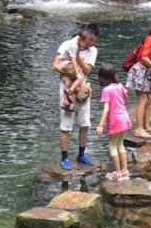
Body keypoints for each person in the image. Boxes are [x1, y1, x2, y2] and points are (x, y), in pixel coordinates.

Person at [52, 26, 99, 170]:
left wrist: (77, 56)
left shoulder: (93, 50)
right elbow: (54, 65)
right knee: (66, 125)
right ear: (88, 36)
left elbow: (88, 70)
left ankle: (82, 154)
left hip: (83, 88)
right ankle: (65, 157)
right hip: (66, 86)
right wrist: (67, 72)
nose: (95, 43)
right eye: (93, 40)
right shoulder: (67, 44)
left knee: (85, 124)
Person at [95, 63, 132, 180]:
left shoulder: (106, 90)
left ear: (102, 77)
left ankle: (117, 172)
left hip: (115, 120)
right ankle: (125, 171)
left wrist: (101, 125)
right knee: (120, 145)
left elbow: (106, 109)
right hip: (125, 118)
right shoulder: (119, 85)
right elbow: (126, 93)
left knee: (112, 146)